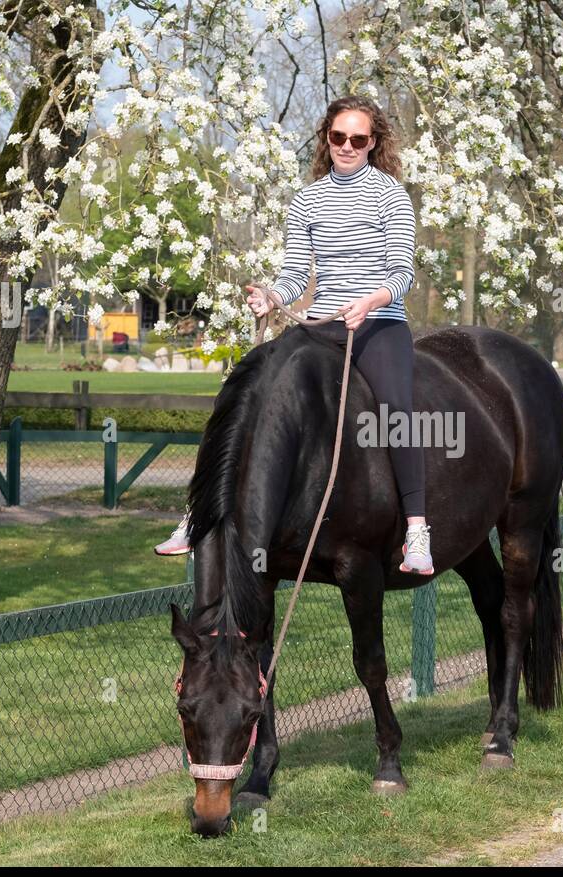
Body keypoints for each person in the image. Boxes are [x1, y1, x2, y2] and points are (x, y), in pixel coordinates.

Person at [155, 95, 433, 574]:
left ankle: (416, 529)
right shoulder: (307, 200)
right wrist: (271, 298)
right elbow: (294, 277)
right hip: (321, 324)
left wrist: (370, 302)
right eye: (338, 136)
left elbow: (402, 271)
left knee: (396, 413)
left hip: (378, 325)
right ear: (327, 138)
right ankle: (195, 518)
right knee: (242, 389)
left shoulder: (391, 195)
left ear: (373, 143)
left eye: (358, 138)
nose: (347, 145)